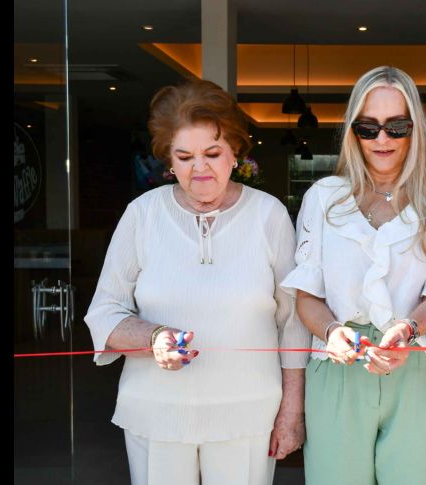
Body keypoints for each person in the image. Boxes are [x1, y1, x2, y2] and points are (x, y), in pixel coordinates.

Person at [84, 79, 310, 485]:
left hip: (248, 411)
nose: (199, 168)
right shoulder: (143, 214)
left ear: (235, 152)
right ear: (169, 159)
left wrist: (292, 411)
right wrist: (152, 337)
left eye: (212, 153)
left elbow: (293, 321)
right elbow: (104, 311)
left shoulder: (269, 215)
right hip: (156, 411)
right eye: (184, 156)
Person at [281, 66, 426, 485]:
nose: (382, 139)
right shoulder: (323, 198)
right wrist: (331, 331)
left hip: (420, 361)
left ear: (415, 129)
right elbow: (307, 294)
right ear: (353, 131)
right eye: (368, 127)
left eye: (396, 126)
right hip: (338, 367)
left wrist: (407, 329)